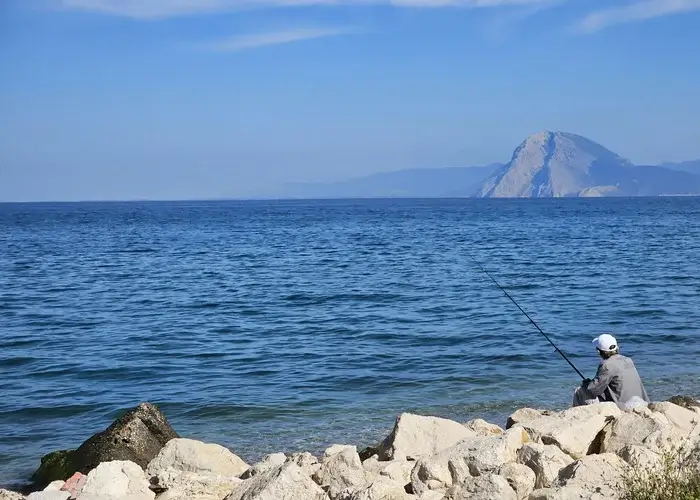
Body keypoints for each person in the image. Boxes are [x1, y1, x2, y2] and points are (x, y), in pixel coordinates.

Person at [572, 334, 649, 409]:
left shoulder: (607, 365)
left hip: (624, 406)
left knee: (579, 390)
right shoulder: (628, 360)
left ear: (599, 352)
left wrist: (586, 383)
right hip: (642, 402)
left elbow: (594, 390)